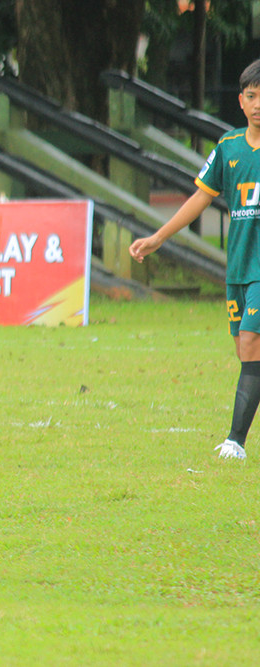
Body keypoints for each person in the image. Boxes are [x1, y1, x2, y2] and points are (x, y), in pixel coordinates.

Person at [129, 58, 260, 460]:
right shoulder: (229, 148)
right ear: (240, 101)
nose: (259, 104)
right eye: (252, 97)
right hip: (237, 267)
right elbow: (199, 199)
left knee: (253, 345)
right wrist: (157, 238)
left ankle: (234, 442)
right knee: (245, 350)